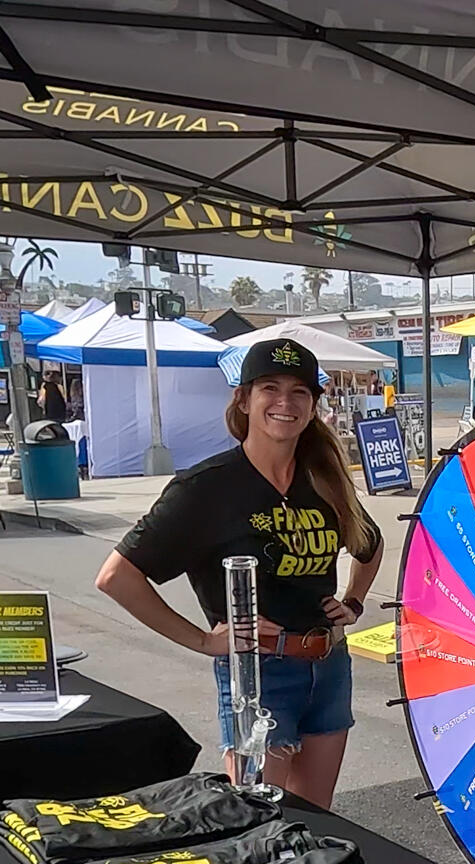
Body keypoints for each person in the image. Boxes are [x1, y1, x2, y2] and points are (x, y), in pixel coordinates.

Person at [96, 339, 384, 809]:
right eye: (270, 388)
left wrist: (351, 601)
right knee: (258, 823)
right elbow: (116, 577)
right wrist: (203, 640)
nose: (285, 403)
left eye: (300, 392)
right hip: (258, 673)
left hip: (329, 665)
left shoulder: (323, 478)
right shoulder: (206, 489)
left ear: (313, 406)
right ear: (244, 399)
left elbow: (368, 543)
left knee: (320, 823)